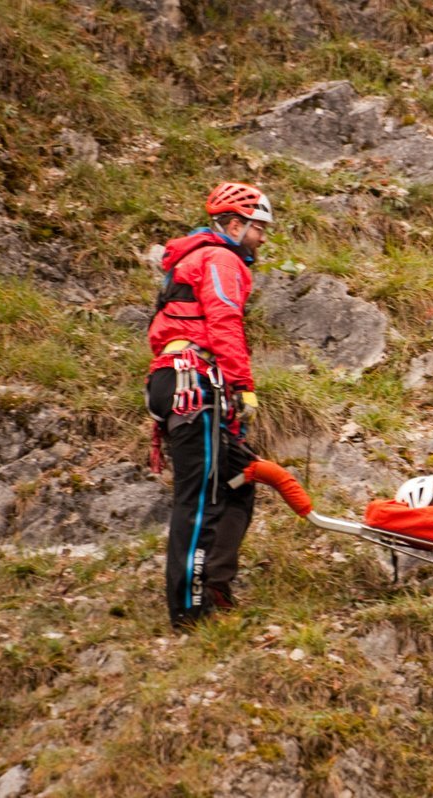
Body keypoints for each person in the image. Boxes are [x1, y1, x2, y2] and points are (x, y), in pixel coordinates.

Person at [145, 181, 272, 631]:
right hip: (194, 382)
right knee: (198, 500)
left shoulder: (194, 258)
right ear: (235, 225)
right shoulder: (220, 258)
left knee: (239, 482)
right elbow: (224, 320)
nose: (262, 239)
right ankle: (190, 612)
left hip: (181, 381)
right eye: (258, 228)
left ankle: (215, 585)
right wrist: (243, 385)